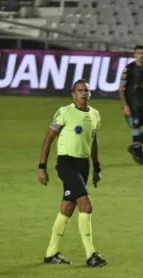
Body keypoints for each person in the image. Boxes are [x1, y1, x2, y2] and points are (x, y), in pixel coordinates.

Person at [38, 79, 107, 267]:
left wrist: (97, 167)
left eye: (86, 90)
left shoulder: (95, 115)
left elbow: (93, 141)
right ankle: (91, 254)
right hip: (66, 163)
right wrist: (42, 166)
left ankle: (51, 253)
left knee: (68, 207)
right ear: (73, 94)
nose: (84, 93)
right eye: (80, 90)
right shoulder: (64, 112)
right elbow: (48, 138)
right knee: (86, 205)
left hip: (83, 165)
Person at [119, 44, 143, 166]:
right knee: (136, 129)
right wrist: (125, 106)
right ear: (135, 54)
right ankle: (140, 157)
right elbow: (121, 89)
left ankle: (135, 147)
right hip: (132, 104)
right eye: (139, 53)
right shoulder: (129, 69)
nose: (141, 55)